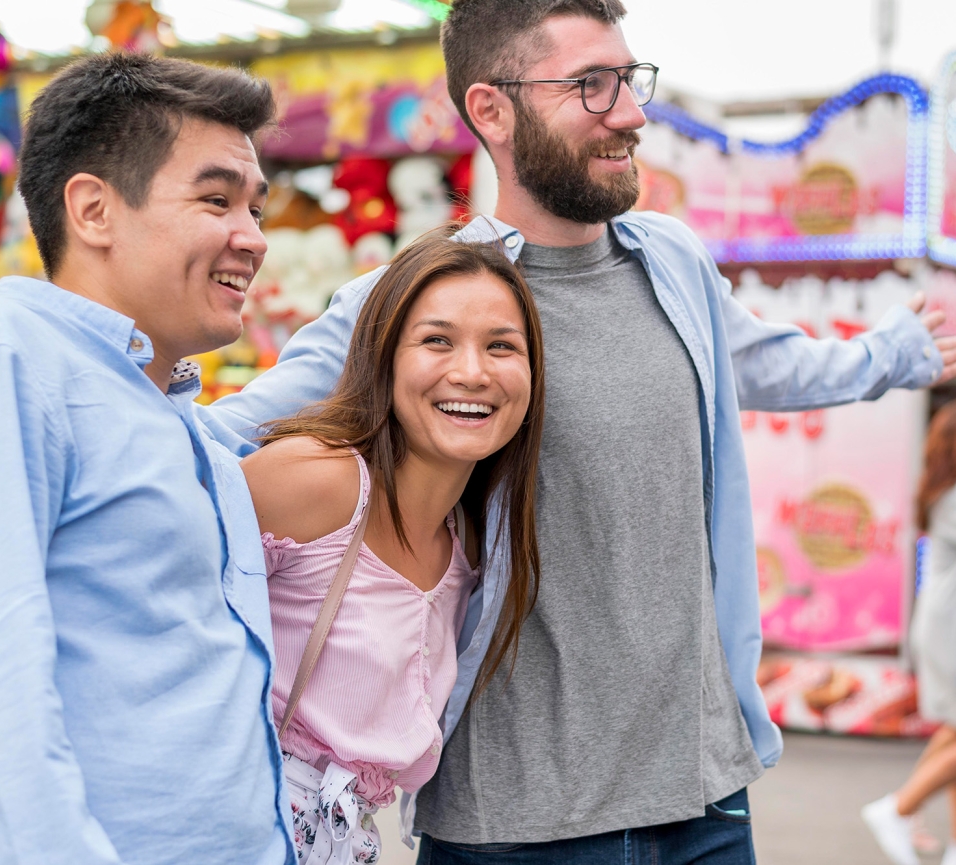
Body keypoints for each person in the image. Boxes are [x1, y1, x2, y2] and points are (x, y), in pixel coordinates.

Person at [197, 0, 956, 862]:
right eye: (591, 86)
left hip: (704, 790)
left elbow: (772, 361)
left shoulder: (672, 261)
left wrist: (896, 352)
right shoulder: (415, 297)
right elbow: (218, 440)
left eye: (629, 81)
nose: (631, 112)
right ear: (491, 110)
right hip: (520, 818)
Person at [0, 52, 293, 864]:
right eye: (217, 199)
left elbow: (303, 384)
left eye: (256, 207)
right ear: (93, 210)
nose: (252, 238)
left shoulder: (166, 410)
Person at [246, 230, 544, 862]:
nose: (472, 372)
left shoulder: (466, 542)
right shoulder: (317, 479)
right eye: (437, 341)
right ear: (384, 357)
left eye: (502, 347)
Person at [862, 402, 956, 865]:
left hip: (945, 623)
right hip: (950, 626)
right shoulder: (953, 495)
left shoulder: (943, 489)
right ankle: (898, 809)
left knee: (954, 734)